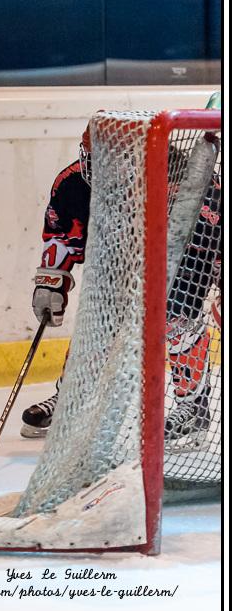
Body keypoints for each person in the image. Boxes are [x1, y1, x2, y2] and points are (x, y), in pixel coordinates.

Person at [22, 117, 222, 444]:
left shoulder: (191, 185)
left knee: (175, 314)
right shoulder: (73, 184)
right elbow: (62, 236)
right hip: (121, 262)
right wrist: (50, 282)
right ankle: (73, 398)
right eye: (91, 159)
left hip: (184, 262)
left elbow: (217, 243)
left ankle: (193, 409)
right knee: (99, 316)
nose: (97, 171)